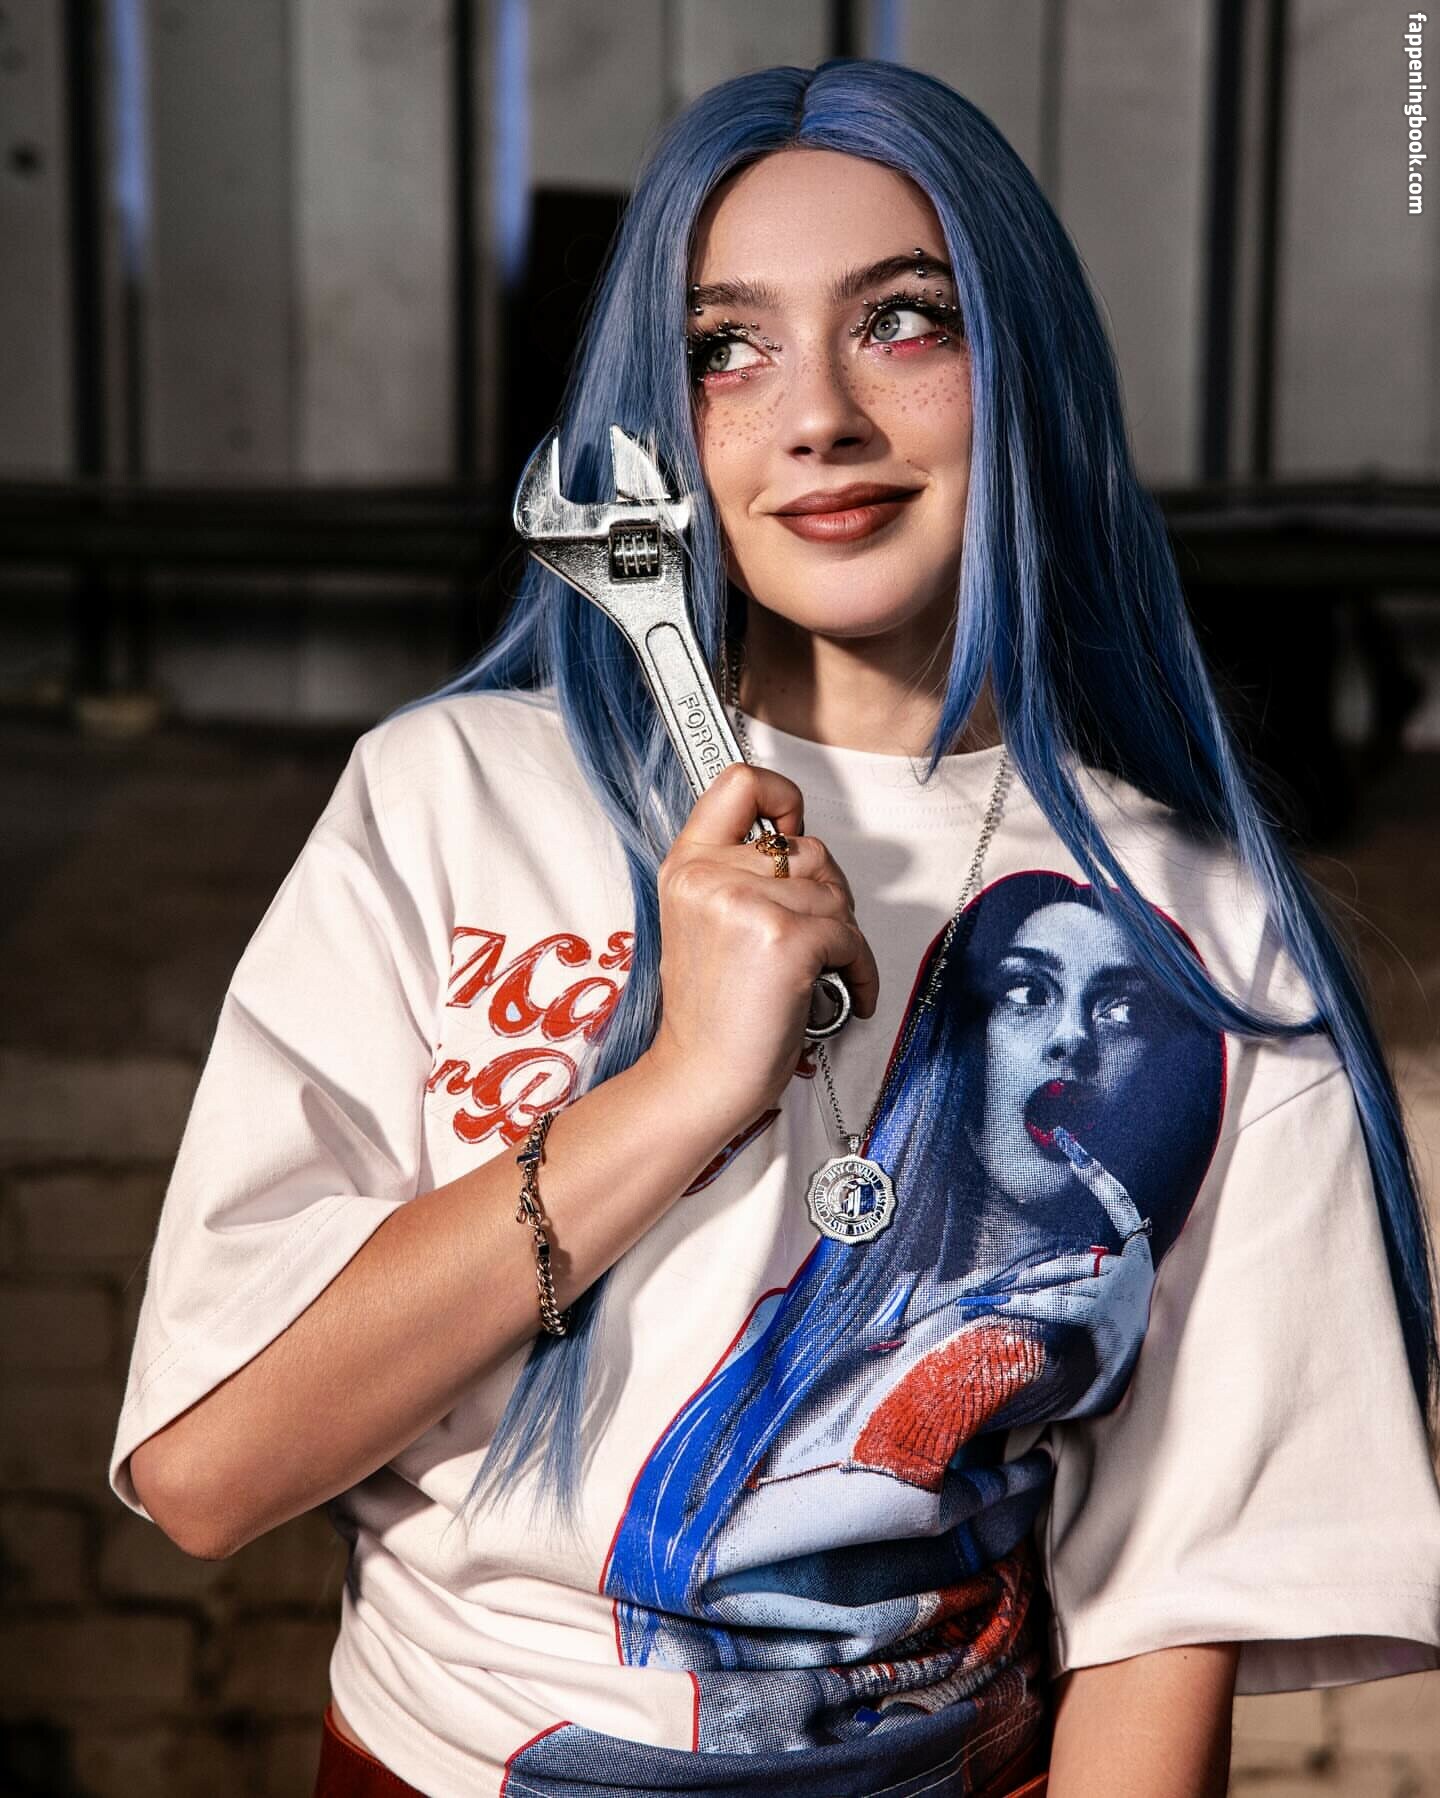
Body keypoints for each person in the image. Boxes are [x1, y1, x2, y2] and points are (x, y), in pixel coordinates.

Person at [108, 59, 1440, 1798]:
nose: (816, 416)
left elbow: (1161, 1627)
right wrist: (678, 1088)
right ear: (662, 422)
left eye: (903, 321)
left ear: (1025, 365)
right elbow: (209, 1469)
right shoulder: (451, 797)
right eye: (726, 347)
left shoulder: (1205, 938)